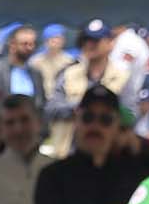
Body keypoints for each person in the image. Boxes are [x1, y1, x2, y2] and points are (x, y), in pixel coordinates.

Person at [46, 20, 125, 158]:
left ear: (110, 44)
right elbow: (51, 109)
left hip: (107, 155)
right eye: (86, 40)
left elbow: (130, 115)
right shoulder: (68, 74)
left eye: (95, 41)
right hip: (67, 153)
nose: (89, 45)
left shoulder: (122, 77)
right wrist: (76, 108)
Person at [0, 24, 40, 105]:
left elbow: (40, 102)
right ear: (12, 45)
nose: (29, 48)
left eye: (32, 44)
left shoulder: (36, 74)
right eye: (25, 44)